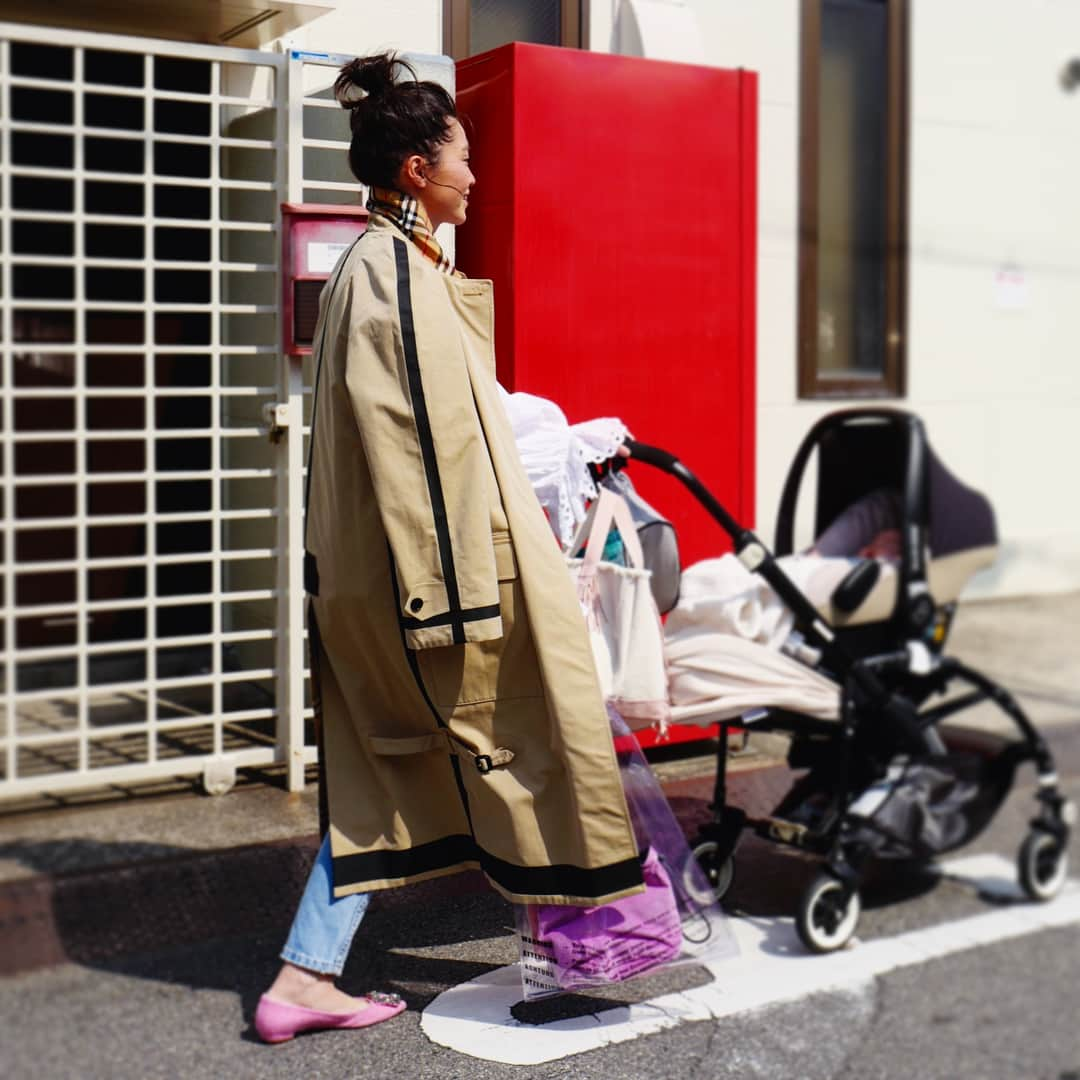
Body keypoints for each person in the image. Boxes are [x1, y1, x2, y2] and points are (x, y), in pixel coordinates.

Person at [254, 53, 643, 1044]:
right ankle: (579, 940)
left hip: (396, 579)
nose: (477, 176)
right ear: (419, 170)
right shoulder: (395, 278)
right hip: (434, 584)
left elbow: (453, 427)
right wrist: (463, 600)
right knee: (530, 740)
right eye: (463, 158)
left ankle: (306, 976)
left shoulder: (387, 266)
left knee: (400, 772)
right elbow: (424, 459)